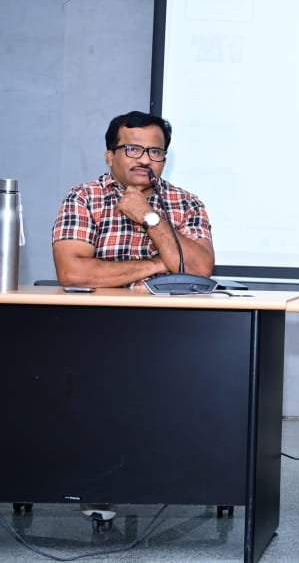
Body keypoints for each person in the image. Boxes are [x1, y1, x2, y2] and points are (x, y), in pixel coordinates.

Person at [51, 110, 214, 526]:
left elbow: (198, 271)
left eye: (155, 152)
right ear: (110, 155)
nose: (145, 159)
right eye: (133, 149)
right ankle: (100, 482)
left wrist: (149, 216)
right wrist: (159, 265)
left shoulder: (186, 202)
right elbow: (73, 272)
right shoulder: (83, 197)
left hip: (172, 332)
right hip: (95, 331)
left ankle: (185, 478)